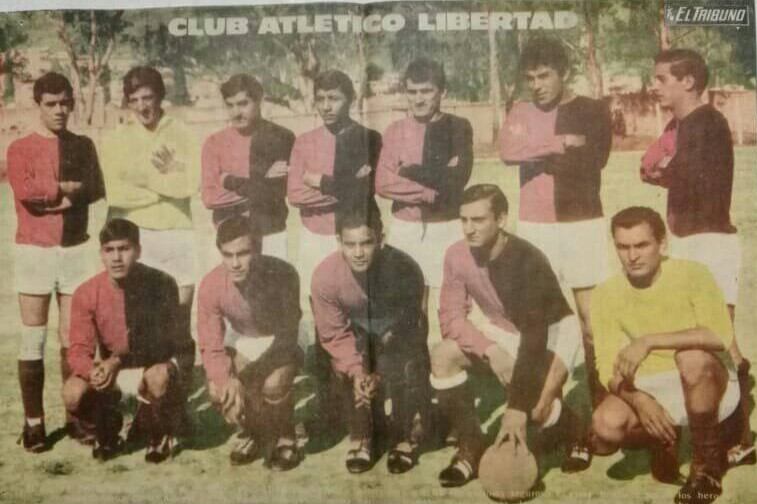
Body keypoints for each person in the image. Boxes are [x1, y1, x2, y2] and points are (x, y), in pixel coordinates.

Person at [641, 48, 753, 467]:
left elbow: (683, 175)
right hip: (686, 240)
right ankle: (722, 426)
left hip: (710, 241)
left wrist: (664, 169)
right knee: (696, 336)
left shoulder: (708, 121)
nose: (653, 86)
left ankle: (742, 434)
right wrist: (663, 168)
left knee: (719, 338)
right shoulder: (678, 125)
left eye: (661, 79)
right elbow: (649, 166)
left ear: (688, 82)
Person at [430, 184, 584, 487]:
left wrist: (515, 409)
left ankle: (575, 428)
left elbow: (534, 337)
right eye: (464, 220)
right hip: (503, 329)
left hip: (553, 332)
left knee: (535, 410)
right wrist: (491, 350)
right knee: (442, 355)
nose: (469, 229)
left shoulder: (527, 259)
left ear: (501, 219)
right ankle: (471, 445)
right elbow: (450, 318)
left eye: (478, 220)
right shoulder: (456, 254)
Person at [590, 207, 740, 504]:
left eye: (641, 245)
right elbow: (605, 366)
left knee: (690, 358)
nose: (632, 256)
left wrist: (649, 342)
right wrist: (638, 399)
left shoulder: (693, 273)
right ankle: (665, 438)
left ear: (662, 244)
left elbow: (720, 336)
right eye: (623, 247)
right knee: (605, 424)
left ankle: (707, 467)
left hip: (709, 383)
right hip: (653, 386)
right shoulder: (606, 293)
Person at [500, 37, 612, 428]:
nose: (537, 85)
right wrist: (559, 143)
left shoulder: (592, 110)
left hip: (582, 223)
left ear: (564, 72)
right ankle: (555, 413)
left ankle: (602, 404)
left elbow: (594, 158)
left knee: (591, 321)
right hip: (536, 227)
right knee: (542, 320)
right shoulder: (520, 110)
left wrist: (535, 147)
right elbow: (508, 152)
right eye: (530, 78)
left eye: (545, 76)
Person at [6, 71, 105, 452]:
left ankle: (76, 417)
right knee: (34, 337)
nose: (60, 110)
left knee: (73, 339)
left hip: (75, 250)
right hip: (34, 251)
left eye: (65, 103)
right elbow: (26, 191)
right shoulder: (20, 147)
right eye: (51, 104)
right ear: (38, 105)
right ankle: (34, 423)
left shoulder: (83, 144)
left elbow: (94, 188)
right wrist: (64, 191)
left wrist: (58, 196)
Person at [62, 219, 195, 463]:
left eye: (124, 249)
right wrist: (92, 372)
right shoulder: (87, 292)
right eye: (109, 250)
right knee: (72, 393)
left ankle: (160, 430)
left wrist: (116, 361)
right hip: (117, 370)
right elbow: (78, 349)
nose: (116, 258)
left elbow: (161, 345)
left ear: (138, 250)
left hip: (151, 367)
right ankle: (109, 427)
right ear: (101, 254)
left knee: (158, 377)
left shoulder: (161, 283)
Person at [100, 66, 199, 388]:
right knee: (139, 320)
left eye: (148, 97)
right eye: (135, 100)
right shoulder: (117, 138)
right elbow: (115, 193)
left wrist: (142, 179)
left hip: (177, 233)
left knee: (179, 319)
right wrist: (165, 181)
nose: (143, 106)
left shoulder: (182, 133)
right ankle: (144, 398)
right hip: (137, 237)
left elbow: (190, 184)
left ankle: (179, 398)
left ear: (160, 97)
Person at [311, 208, 429, 474]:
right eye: (350, 244)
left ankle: (402, 434)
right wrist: (357, 371)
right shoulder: (325, 276)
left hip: (396, 332)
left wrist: (381, 372)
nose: (358, 253)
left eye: (366, 243)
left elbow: (409, 329)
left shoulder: (405, 269)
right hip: (357, 333)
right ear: (339, 242)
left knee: (407, 364)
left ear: (381, 239)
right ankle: (362, 431)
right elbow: (333, 334)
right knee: (335, 359)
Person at [197, 216, 303, 470]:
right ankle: (253, 432)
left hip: (281, 340)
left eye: (243, 253)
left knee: (273, 384)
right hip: (244, 338)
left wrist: (245, 377)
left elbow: (287, 336)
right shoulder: (211, 284)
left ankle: (286, 436)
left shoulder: (283, 274)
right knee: (217, 389)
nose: (235, 263)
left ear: (258, 249)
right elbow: (210, 343)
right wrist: (225, 379)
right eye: (228, 255)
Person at [375, 57, 473, 301]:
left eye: (426, 91)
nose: (418, 99)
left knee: (451, 303)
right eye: (412, 92)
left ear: (442, 92)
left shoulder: (458, 127)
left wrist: (407, 171)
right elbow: (382, 183)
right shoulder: (395, 131)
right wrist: (426, 192)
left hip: (446, 226)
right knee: (407, 306)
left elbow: (454, 182)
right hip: (405, 228)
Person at [287, 69, 382, 299]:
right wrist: (350, 185)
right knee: (318, 299)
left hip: (356, 237)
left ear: (350, 99)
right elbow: (295, 194)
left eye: (334, 98)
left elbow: (367, 188)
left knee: (361, 299)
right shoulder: (304, 142)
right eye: (320, 99)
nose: (326, 107)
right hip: (315, 235)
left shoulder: (369, 138)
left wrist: (319, 181)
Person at [201, 73, 294, 259]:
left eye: (243, 104)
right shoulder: (214, 143)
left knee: (275, 278)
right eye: (230, 105)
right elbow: (210, 197)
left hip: (271, 232)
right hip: (230, 236)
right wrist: (262, 181)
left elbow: (282, 189)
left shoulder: (282, 137)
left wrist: (229, 181)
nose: (236, 112)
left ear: (259, 101)